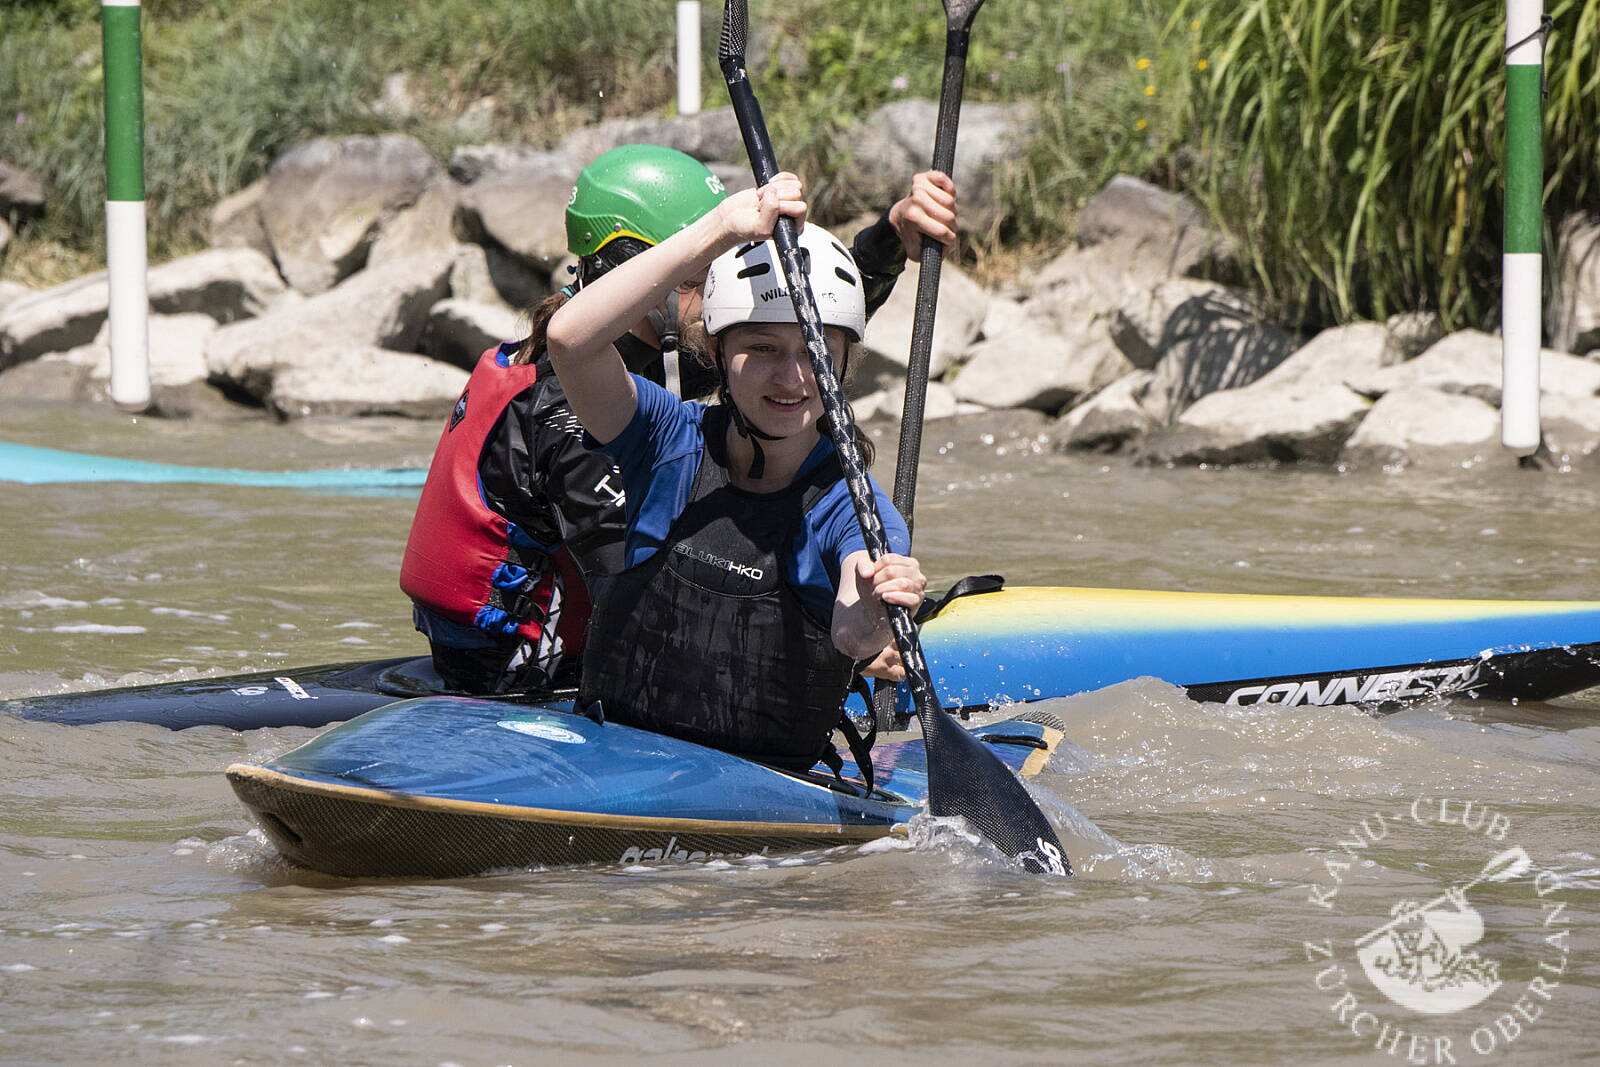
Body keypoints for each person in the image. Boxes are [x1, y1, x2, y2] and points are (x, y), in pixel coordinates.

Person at [401, 144, 956, 695]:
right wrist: (840, 647)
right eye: (700, 274)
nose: (722, 288)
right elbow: (668, 586)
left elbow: (792, 337)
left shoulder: (650, 357)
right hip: (513, 666)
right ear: (644, 275)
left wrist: (889, 240)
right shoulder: (563, 407)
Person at [544, 172, 928, 773]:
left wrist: (880, 602)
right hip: (610, 758)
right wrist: (718, 229)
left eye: (814, 353)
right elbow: (569, 340)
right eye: (765, 349)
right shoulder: (665, 439)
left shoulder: (853, 507)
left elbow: (855, 636)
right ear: (719, 353)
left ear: (845, 363)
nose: (792, 379)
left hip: (759, 798)